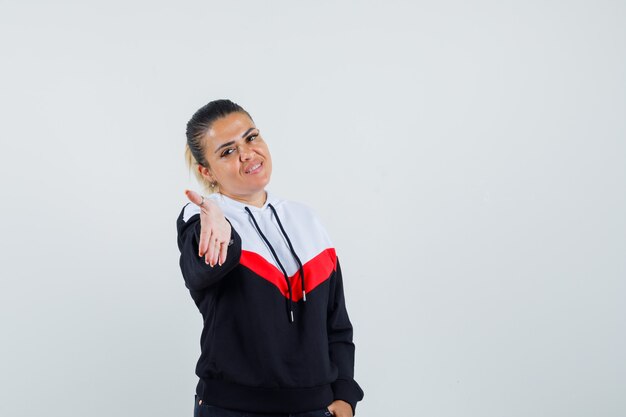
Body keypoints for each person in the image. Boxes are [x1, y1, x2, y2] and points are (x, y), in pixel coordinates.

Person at [176, 99, 364, 417]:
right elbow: (198, 274)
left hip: (314, 409)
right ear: (206, 171)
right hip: (234, 409)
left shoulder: (306, 220)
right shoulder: (199, 218)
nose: (247, 153)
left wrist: (345, 395)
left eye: (251, 137)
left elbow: (337, 321)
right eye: (227, 151)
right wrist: (223, 231)